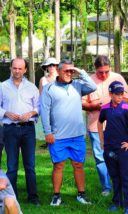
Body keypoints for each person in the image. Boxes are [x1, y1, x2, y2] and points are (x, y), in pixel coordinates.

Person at [40, 59, 97, 206]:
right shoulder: (49, 89)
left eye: (71, 71)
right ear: (58, 71)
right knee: (58, 165)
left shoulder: (78, 86)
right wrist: (48, 133)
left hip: (77, 135)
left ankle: (81, 195)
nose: (69, 73)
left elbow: (93, 86)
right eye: (66, 70)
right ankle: (56, 196)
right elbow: (44, 113)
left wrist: (80, 71)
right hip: (58, 136)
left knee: (78, 165)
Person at [0, 57, 40, 206]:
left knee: (30, 165)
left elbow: (39, 107)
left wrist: (31, 114)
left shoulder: (32, 87)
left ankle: (33, 197)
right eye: (15, 68)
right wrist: (6, 113)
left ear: (25, 70)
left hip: (28, 130)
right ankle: (12, 196)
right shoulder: (3, 86)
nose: (17, 71)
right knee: (12, 166)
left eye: (20, 68)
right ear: (11, 69)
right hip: (10, 130)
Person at [82, 55, 128, 197]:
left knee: (119, 156)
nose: (103, 75)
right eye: (100, 72)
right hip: (95, 126)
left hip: (118, 127)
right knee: (100, 157)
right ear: (95, 69)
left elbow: (127, 99)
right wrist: (94, 105)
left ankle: (121, 186)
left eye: (106, 72)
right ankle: (106, 187)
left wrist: (112, 105)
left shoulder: (118, 78)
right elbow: (82, 103)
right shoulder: (89, 81)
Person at [97, 81, 128, 214]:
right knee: (115, 177)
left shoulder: (127, 108)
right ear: (110, 94)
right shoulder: (104, 108)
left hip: (123, 149)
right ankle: (116, 203)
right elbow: (99, 122)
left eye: (122, 94)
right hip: (109, 148)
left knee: (125, 176)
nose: (120, 96)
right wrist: (102, 140)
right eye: (117, 94)